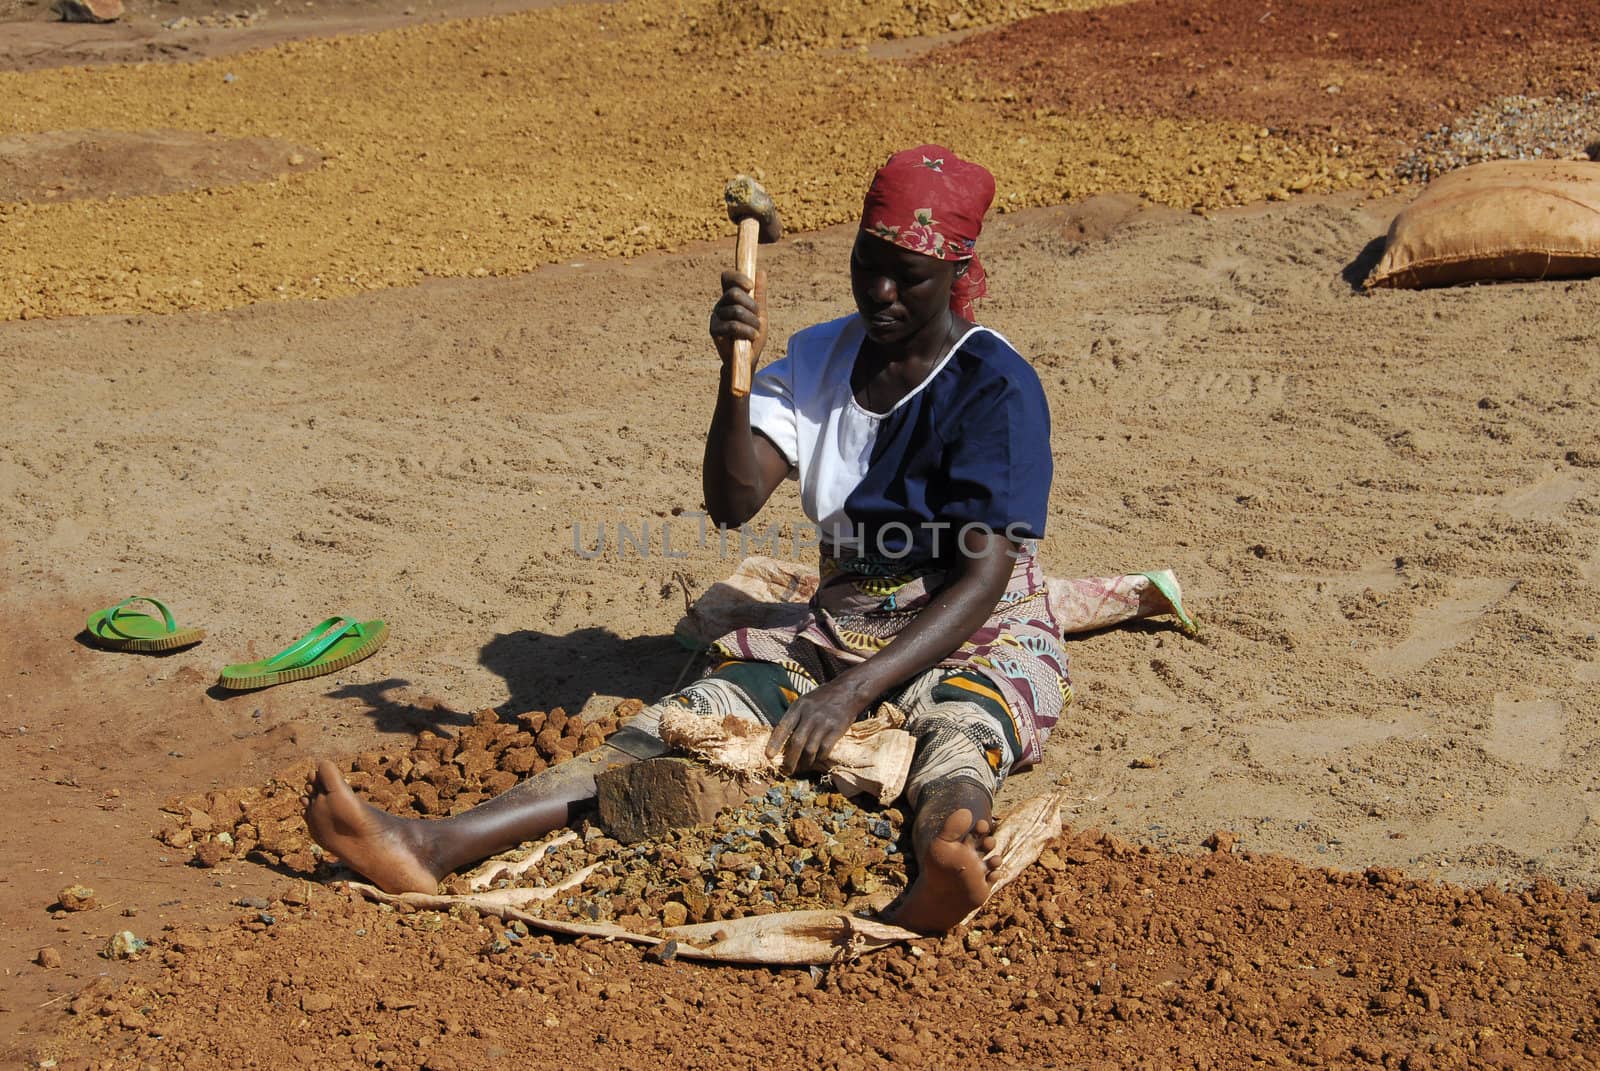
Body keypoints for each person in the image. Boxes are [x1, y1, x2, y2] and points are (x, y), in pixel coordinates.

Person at [303, 144, 1069, 933]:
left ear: (955, 272)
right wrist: (732, 371)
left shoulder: (995, 385)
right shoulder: (819, 358)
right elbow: (732, 498)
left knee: (958, 729)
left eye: (907, 274)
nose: (880, 291)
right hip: (842, 628)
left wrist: (852, 690)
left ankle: (944, 860)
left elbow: (981, 582)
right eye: (867, 261)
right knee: (688, 719)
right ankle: (436, 841)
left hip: (977, 630)